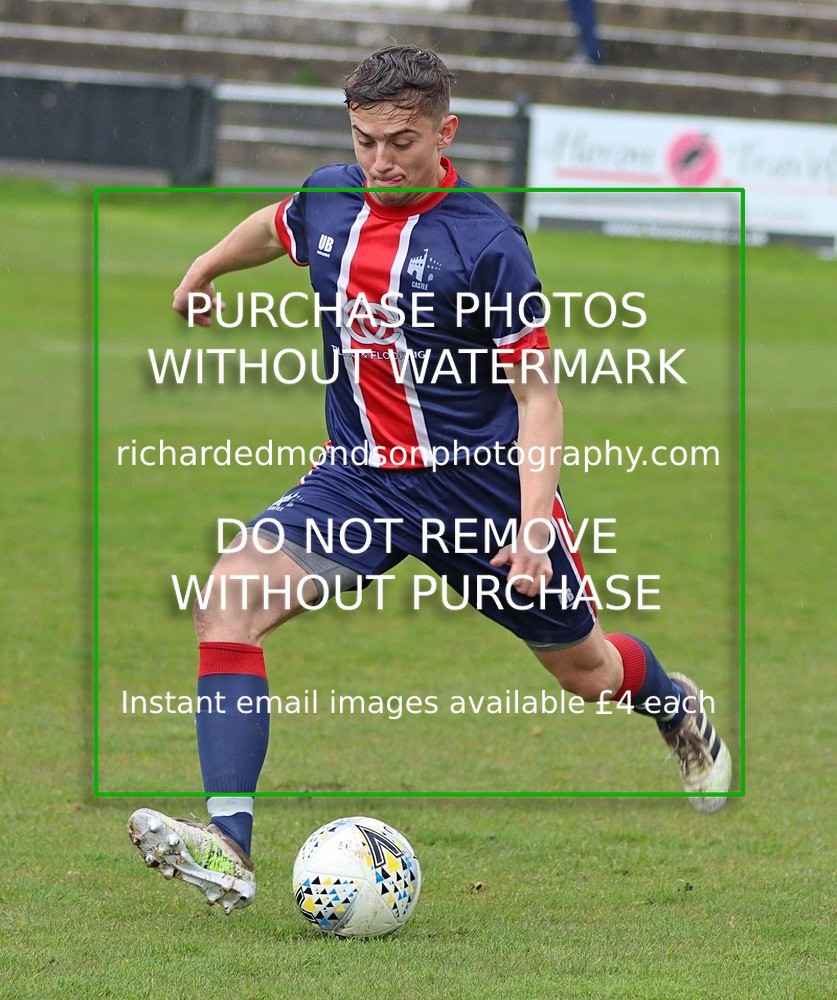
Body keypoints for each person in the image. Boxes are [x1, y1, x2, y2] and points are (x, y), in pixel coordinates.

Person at [128, 45, 731, 915]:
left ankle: (674, 705)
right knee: (227, 601)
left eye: (402, 141)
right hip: (361, 484)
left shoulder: (485, 244)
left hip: (479, 497)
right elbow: (277, 224)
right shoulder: (334, 196)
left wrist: (529, 528)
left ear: (445, 133)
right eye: (366, 139)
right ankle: (228, 844)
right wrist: (204, 267)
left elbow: (537, 395)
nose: (381, 160)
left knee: (587, 671)